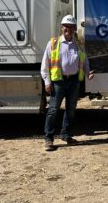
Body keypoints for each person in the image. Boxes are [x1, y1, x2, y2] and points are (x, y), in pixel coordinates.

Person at [41, 15, 94, 151]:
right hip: (59, 81)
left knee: (70, 111)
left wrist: (88, 73)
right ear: (61, 27)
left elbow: (85, 61)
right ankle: (48, 138)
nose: (68, 29)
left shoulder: (79, 44)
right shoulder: (53, 43)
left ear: (75, 29)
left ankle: (66, 135)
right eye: (66, 26)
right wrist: (47, 82)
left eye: (71, 27)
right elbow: (45, 64)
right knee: (53, 110)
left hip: (74, 81)